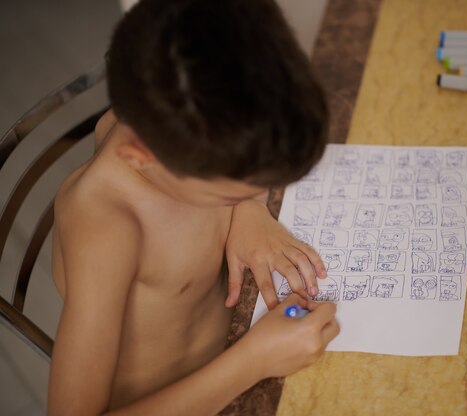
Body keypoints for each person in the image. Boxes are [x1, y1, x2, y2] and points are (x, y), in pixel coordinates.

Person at [48, 0, 340, 414]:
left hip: (242, 352)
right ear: (141, 154)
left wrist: (249, 210)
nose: (246, 196)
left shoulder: (183, 124)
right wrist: (253, 361)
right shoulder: (108, 228)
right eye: (230, 196)